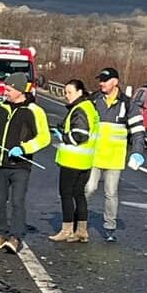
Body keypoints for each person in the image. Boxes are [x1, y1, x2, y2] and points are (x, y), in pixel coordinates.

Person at [0, 72, 51, 254]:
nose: (5, 92)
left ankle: (15, 237)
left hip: (20, 165)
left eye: (8, 89)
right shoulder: (0, 108)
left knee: (17, 201)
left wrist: (25, 148)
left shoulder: (34, 111)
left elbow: (44, 137)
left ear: (19, 90)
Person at [85, 67, 145, 242]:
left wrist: (137, 152)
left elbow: (138, 131)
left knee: (111, 193)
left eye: (105, 80)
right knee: (89, 189)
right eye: (100, 80)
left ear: (115, 82)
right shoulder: (94, 99)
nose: (101, 83)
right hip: (94, 155)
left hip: (114, 158)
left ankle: (109, 227)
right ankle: (80, 222)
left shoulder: (127, 104)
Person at [49, 79, 99, 243]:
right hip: (85, 160)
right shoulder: (90, 107)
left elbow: (80, 135)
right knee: (79, 195)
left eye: (69, 92)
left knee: (66, 194)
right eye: (65, 92)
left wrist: (62, 136)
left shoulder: (79, 109)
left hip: (73, 160)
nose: (66, 96)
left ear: (79, 92)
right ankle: (82, 231)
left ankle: (67, 230)